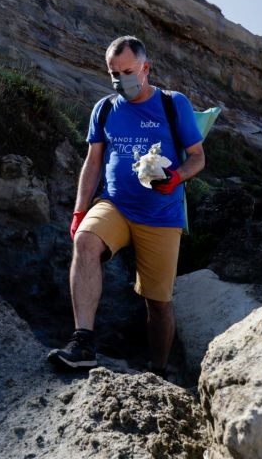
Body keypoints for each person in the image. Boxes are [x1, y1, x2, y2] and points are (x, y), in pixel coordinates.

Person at [47, 36, 205, 376]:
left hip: (161, 215)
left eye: (128, 72)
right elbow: (93, 163)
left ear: (146, 68)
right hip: (115, 204)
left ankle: (158, 369)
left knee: (158, 303)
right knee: (85, 241)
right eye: (114, 74)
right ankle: (82, 343)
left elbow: (197, 157)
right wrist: (79, 211)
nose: (121, 80)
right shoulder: (105, 108)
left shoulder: (173, 103)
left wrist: (176, 178)